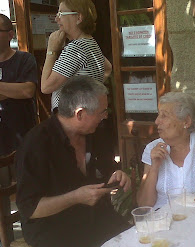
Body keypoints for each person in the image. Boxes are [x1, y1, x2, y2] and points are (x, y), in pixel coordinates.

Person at [16, 76, 131, 247]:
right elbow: (30, 208)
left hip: (96, 217)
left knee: (138, 239)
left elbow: (107, 165)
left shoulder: (95, 131)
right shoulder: (36, 144)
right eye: (102, 112)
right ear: (80, 113)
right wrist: (75, 198)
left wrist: (116, 173)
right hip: (54, 228)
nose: (105, 116)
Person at [0, 12, 38, 237]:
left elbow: (27, 90)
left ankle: (33, 240)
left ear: (10, 34)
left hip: (23, 143)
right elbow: (17, 91)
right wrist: (10, 91)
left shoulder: (24, 60)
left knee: (30, 199)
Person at [41, 0, 112, 112]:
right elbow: (108, 68)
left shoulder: (75, 48)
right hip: (86, 112)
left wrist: (51, 50)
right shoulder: (90, 42)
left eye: (61, 14)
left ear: (79, 18)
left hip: (71, 116)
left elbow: (46, 87)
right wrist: (90, 90)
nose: (56, 19)